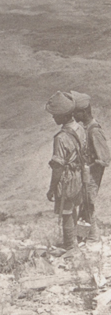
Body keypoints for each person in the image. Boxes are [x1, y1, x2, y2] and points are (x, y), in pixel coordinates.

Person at [45, 91, 86, 251]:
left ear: (63, 116)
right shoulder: (80, 128)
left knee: (66, 212)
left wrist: (51, 188)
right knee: (74, 208)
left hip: (67, 178)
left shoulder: (61, 138)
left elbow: (58, 167)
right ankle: (75, 242)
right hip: (80, 176)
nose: (53, 118)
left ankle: (70, 247)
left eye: (55, 115)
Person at [71, 90, 110, 242]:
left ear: (84, 111)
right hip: (86, 174)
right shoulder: (86, 128)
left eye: (76, 112)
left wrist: (89, 167)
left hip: (92, 175)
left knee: (89, 205)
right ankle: (83, 237)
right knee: (84, 206)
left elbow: (105, 158)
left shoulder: (94, 130)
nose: (74, 116)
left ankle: (93, 238)